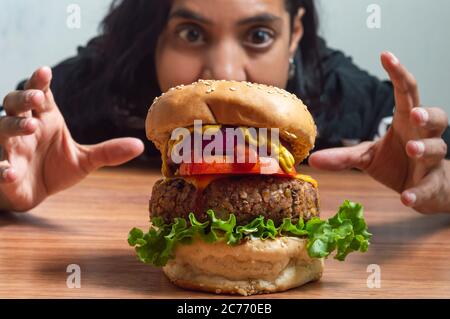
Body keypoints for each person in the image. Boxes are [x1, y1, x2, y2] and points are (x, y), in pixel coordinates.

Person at [1, 0, 449, 214]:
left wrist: (438, 176)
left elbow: (436, 149)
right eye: (191, 33)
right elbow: (18, 134)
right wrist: (7, 182)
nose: (227, 72)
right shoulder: (100, 78)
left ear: (294, 34)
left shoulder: (335, 89)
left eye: (258, 36)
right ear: (152, 33)